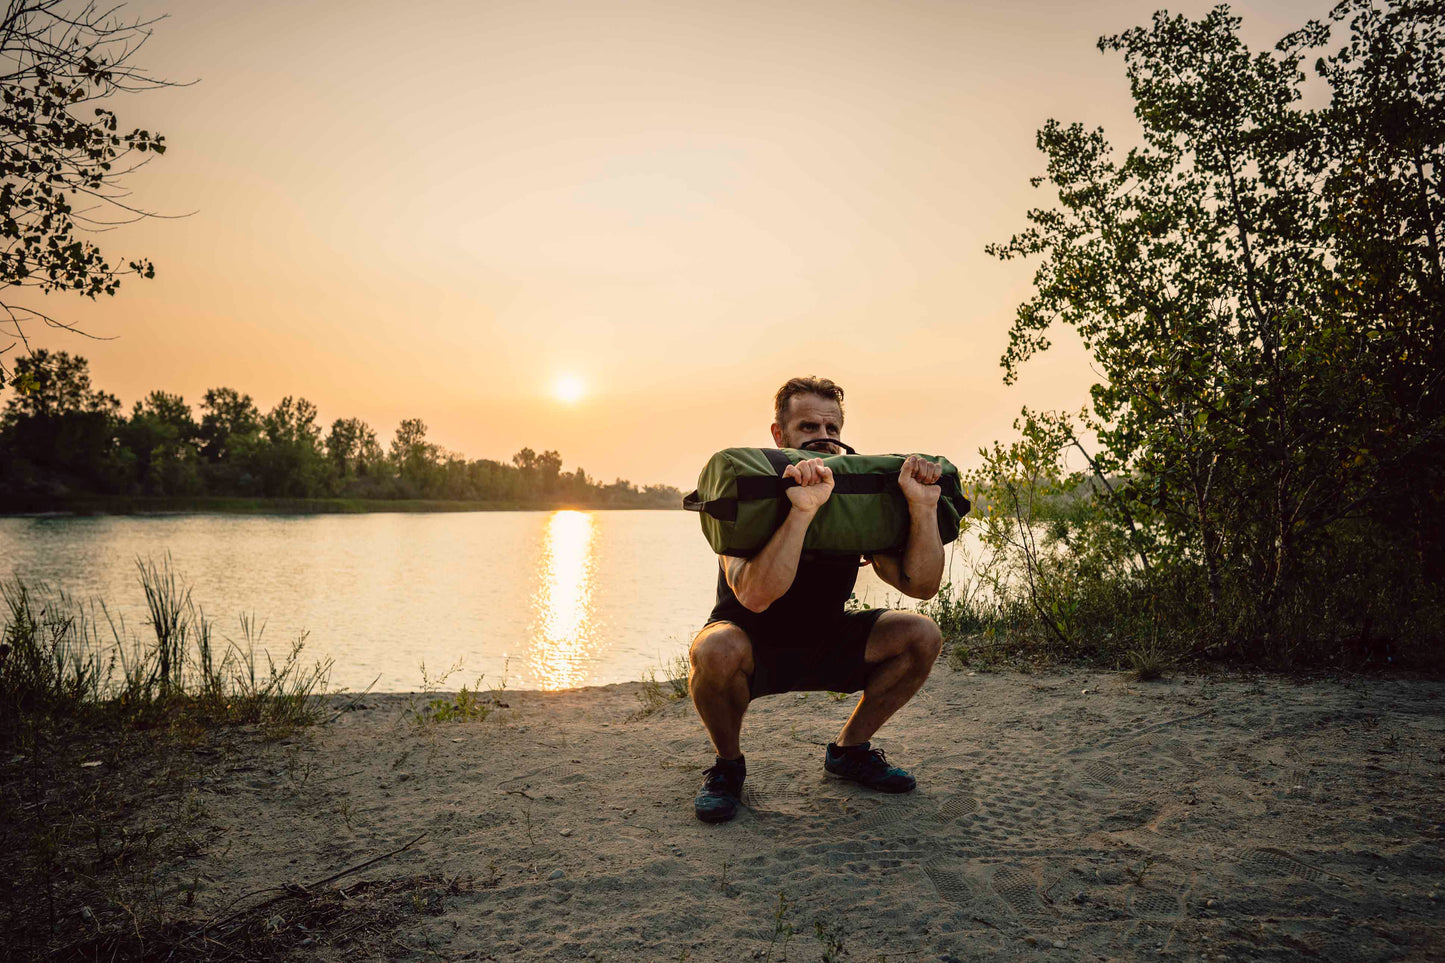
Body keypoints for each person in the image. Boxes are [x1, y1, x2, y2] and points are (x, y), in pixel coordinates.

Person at [688, 376, 946, 823]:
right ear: (779, 434)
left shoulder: (852, 499)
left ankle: (849, 752)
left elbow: (920, 585)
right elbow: (754, 595)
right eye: (809, 428)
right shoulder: (748, 494)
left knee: (921, 634)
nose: (823, 440)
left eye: (832, 430)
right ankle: (728, 767)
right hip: (750, 644)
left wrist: (922, 508)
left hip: (826, 639)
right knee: (715, 648)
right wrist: (802, 510)